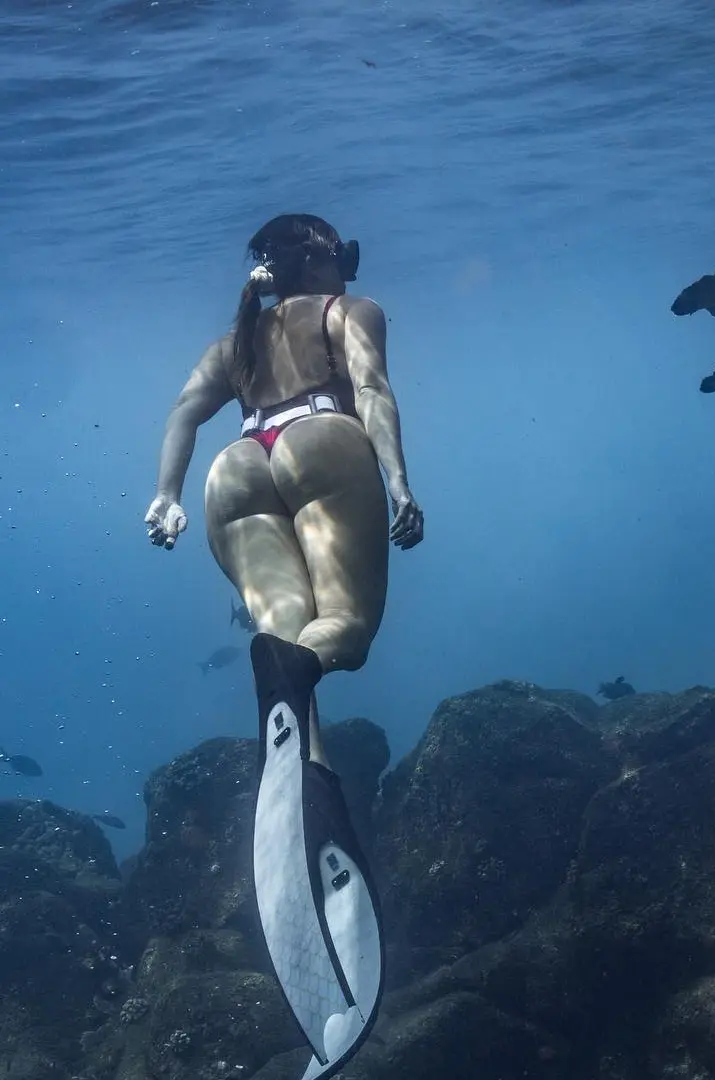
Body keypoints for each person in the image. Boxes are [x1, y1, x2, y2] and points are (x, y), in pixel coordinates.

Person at [143, 213, 420, 1079]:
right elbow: (371, 391)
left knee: (284, 661)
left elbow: (187, 412)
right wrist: (402, 481)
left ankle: (313, 791)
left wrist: (165, 498)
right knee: (347, 637)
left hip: (236, 465)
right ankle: (296, 678)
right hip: (323, 441)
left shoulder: (234, 340)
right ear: (327, 260)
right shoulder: (348, 312)